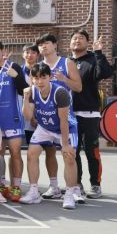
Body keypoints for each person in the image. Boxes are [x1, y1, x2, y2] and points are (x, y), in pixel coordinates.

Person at [19, 64, 80, 210]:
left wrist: (65, 144)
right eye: (36, 78)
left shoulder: (60, 93)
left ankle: (70, 194)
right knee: (31, 154)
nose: (39, 81)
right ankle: (34, 192)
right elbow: (27, 116)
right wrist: (26, 98)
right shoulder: (32, 92)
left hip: (65, 128)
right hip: (45, 127)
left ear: (50, 77)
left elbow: (63, 121)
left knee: (69, 156)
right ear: (32, 79)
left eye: (43, 77)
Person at [36, 33, 82, 200]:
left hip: (65, 117)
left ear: (55, 45)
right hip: (46, 118)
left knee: (69, 154)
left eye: (47, 43)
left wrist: (64, 79)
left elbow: (78, 87)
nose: (43, 46)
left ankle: (74, 189)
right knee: (49, 153)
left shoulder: (67, 63)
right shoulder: (39, 66)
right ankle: (54, 186)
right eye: (40, 44)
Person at [69, 30, 113, 199]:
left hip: (89, 113)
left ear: (87, 43)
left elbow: (106, 73)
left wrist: (99, 52)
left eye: (81, 38)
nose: (77, 40)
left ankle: (95, 184)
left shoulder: (93, 59)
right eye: (74, 38)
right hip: (70, 114)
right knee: (73, 152)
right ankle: (76, 184)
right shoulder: (66, 63)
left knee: (91, 151)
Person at [0, 39, 27, 201]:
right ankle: (1, 185)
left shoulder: (13, 66)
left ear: (2, 51)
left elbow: (24, 90)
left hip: (12, 117)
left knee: (15, 153)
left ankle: (16, 186)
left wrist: (16, 77)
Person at [21, 44, 41, 144]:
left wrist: (35, 117)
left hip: (41, 114)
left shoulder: (42, 71)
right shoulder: (18, 71)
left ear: (38, 55)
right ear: (23, 55)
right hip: (23, 114)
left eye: (33, 52)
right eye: (27, 52)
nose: (30, 55)